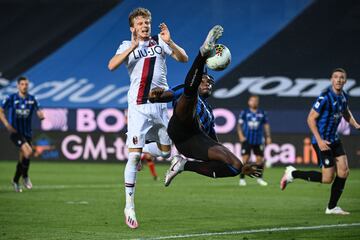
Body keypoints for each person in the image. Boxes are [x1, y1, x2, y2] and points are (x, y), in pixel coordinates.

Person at [149, 25, 261, 187]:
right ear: (198, 79)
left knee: (236, 167)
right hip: (180, 126)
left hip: (193, 141)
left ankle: (182, 165)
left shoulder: (209, 112)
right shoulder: (186, 89)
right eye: (205, 80)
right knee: (190, 93)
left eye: (211, 82)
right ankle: (202, 54)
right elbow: (168, 95)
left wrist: (242, 167)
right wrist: (155, 97)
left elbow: (213, 141)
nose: (209, 83)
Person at [108, 7, 188, 229]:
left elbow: (184, 58)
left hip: (161, 106)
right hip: (139, 107)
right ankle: (129, 205)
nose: (145, 26)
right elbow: (111, 65)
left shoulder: (159, 41)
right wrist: (132, 48)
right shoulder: (127, 45)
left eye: (147, 22)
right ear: (132, 27)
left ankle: (142, 151)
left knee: (165, 153)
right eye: (141, 23)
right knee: (132, 158)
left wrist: (170, 42)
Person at [280, 68, 360, 215]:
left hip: (334, 140)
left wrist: (356, 124)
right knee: (327, 178)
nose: (339, 80)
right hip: (322, 141)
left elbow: (346, 112)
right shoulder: (324, 97)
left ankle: (332, 207)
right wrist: (319, 140)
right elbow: (310, 118)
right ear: (331, 79)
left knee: (344, 171)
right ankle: (292, 173)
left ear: (345, 81)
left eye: (342, 77)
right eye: (336, 77)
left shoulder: (343, 97)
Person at [0, 76, 44, 192]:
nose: (25, 86)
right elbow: (1, 111)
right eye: (22, 84)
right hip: (15, 132)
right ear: (18, 86)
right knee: (28, 151)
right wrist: (7, 125)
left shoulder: (32, 99)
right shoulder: (11, 98)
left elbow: (39, 110)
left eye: (26, 84)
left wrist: (41, 115)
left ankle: (15, 181)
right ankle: (25, 176)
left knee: (24, 157)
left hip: (27, 133)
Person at [237, 95, 271, 186]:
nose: (254, 102)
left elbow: (266, 125)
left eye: (256, 101)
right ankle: (242, 179)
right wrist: (241, 136)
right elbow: (239, 125)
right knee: (245, 160)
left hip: (258, 140)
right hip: (247, 139)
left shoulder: (262, 112)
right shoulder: (244, 112)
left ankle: (259, 178)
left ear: (258, 102)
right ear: (249, 102)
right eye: (252, 100)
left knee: (260, 160)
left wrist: (268, 136)